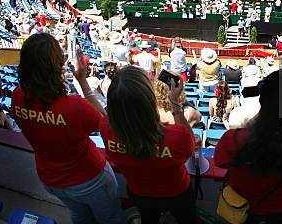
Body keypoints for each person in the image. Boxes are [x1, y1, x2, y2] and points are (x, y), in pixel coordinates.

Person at [11, 33, 125, 224]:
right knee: (111, 219)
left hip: (50, 179)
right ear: (57, 67)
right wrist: (83, 82)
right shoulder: (74, 106)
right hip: (89, 179)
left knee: (79, 215)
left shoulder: (17, 97)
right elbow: (107, 125)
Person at [214, 69, 282, 223]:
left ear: (263, 103)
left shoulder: (237, 140)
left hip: (248, 207)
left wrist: (256, 120)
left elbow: (220, 162)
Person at [100, 65, 197, 224]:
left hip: (139, 193)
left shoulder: (105, 128)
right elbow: (190, 145)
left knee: (148, 220)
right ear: (150, 99)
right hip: (176, 193)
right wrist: (175, 106)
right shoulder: (176, 136)